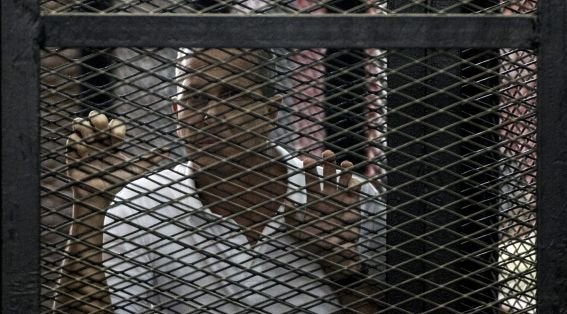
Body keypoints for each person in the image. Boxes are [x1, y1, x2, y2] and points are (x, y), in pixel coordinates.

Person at [53, 48, 385, 313]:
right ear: (176, 114)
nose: (211, 115)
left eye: (232, 93)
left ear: (270, 111)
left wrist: (341, 264)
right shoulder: (140, 205)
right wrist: (91, 208)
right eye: (195, 98)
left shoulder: (346, 196)